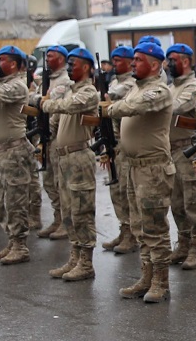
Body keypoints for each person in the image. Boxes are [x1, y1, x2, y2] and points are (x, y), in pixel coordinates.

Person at [100, 39, 176, 301]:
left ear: (155, 65)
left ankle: (160, 282)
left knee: (155, 227)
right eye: (133, 60)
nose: (133, 64)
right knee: (139, 226)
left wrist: (109, 109)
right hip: (134, 167)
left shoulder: (159, 91)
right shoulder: (135, 87)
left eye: (139, 60)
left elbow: (134, 107)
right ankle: (146, 276)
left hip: (152, 168)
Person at [37, 46, 101, 282]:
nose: (70, 68)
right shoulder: (70, 92)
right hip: (64, 156)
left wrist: (45, 103)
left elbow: (66, 106)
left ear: (86, 67)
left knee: (82, 209)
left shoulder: (88, 92)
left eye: (74, 64)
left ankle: (86, 261)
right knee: (68, 210)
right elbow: (56, 118)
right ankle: (75, 255)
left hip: (79, 156)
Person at [0, 46, 35, 266]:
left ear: (13, 64)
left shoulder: (17, 86)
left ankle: (20, 245)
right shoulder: (1, 85)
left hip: (14, 151)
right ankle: (12, 241)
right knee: (2, 201)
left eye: (2, 60)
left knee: (16, 201)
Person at [166, 43, 196, 270]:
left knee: (193, 202)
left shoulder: (194, 86)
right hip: (170, 149)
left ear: (185, 61)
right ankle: (183, 243)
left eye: (172, 59)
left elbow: (176, 107)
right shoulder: (171, 87)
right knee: (176, 203)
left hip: (189, 150)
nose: (168, 64)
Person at [100, 45, 139, 254]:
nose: (114, 64)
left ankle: (132, 233)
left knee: (126, 189)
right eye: (113, 60)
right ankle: (124, 229)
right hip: (114, 140)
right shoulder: (115, 81)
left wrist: (103, 94)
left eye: (118, 60)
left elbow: (112, 95)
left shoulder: (131, 83)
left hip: (126, 142)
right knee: (115, 188)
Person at [36, 45, 71, 240]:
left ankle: (67, 222)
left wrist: (49, 128)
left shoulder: (64, 81)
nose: (47, 59)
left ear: (60, 58)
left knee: (60, 182)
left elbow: (55, 107)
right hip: (45, 134)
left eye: (51, 56)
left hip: (55, 134)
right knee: (49, 180)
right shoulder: (48, 79)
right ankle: (58, 218)